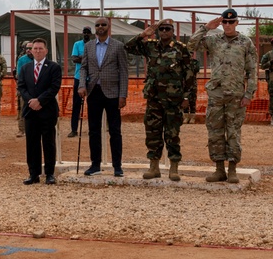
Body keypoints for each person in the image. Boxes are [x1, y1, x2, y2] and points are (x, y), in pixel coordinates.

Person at [188, 8, 257, 183]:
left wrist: (249, 93)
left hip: (236, 95)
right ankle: (219, 169)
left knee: (233, 132)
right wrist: (206, 27)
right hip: (216, 94)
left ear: (236, 23)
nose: (227, 25)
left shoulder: (245, 42)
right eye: (224, 22)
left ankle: (232, 169)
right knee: (215, 131)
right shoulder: (213, 40)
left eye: (231, 22)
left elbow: (252, 71)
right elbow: (191, 45)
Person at [125, 19, 193, 181]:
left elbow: (189, 74)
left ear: (172, 31)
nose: (164, 31)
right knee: (152, 133)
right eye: (161, 29)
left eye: (167, 29)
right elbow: (128, 47)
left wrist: (187, 97)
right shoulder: (151, 46)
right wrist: (143, 34)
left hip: (173, 99)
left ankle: (174, 168)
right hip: (154, 98)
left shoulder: (181, 49)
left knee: (172, 134)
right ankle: (154, 167)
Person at [78, 17, 129, 177]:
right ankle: (95, 165)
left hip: (113, 93)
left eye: (103, 24)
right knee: (93, 130)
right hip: (94, 91)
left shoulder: (118, 46)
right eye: (97, 25)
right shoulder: (88, 46)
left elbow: (124, 71)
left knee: (115, 130)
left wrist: (123, 94)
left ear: (108, 26)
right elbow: (84, 67)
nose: (100, 27)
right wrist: (81, 84)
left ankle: (117, 166)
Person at [16, 38, 61, 184]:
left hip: (47, 110)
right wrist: (31, 101)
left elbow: (54, 87)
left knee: (48, 142)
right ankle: (33, 174)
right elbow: (21, 87)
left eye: (40, 48)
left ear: (46, 50)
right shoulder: (25, 68)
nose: (37, 51)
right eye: (35, 48)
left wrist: (40, 101)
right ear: (31, 50)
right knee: (32, 143)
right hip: (30, 111)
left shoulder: (53, 67)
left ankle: (49, 174)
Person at [68, 27, 92, 137]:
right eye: (85, 32)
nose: (86, 34)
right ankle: (74, 129)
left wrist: (81, 58)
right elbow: (74, 59)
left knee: (92, 105)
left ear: (91, 34)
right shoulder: (77, 44)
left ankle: (92, 128)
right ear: (82, 33)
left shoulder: (94, 44)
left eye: (88, 32)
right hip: (78, 77)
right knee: (76, 105)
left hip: (91, 78)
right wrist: (87, 58)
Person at [15, 41, 34, 137]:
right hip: (24, 88)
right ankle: (21, 130)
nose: (28, 50)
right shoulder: (21, 60)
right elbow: (19, 75)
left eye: (30, 48)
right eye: (27, 48)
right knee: (23, 108)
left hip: (36, 88)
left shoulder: (38, 59)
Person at [184, 52, 201, 124]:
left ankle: (192, 117)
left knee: (192, 100)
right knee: (184, 99)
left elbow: (196, 69)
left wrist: (190, 63)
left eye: (190, 53)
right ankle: (185, 117)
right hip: (184, 84)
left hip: (192, 84)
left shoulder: (195, 62)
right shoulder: (183, 62)